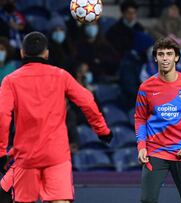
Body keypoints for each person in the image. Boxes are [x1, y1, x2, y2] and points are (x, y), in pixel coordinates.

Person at [0, 31, 112, 203]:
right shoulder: (61, 76)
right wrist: (102, 130)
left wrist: (1, 151)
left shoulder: (10, 80)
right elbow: (87, 101)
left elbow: (2, 115)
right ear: (46, 53)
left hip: (26, 158)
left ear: (22, 53)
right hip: (56, 156)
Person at [135, 37, 181, 203]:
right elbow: (140, 118)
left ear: (177, 57)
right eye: (161, 54)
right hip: (155, 152)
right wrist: (141, 146)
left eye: (169, 54)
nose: (165, 58)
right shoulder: (145, 87)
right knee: (147, 200)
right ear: (155, 58)